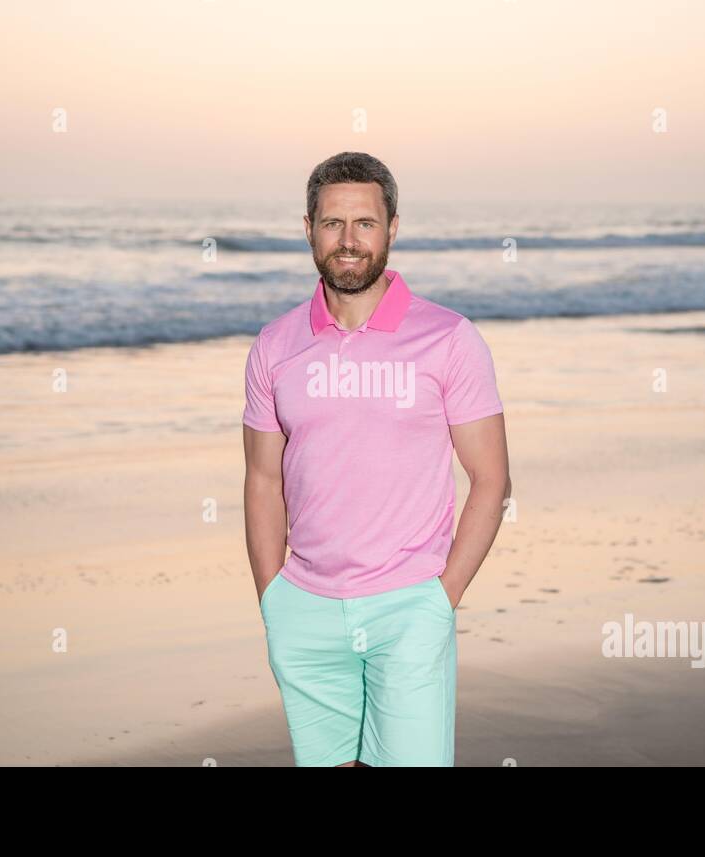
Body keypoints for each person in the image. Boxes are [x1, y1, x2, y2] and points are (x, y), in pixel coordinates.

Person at [242, 151, 512, 766]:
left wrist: (441, 598)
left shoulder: (448, 339)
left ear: (392, 228)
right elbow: (262, 480)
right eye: (332, 223)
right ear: (307, 229)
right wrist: (273, 600)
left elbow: (491, 479)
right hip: (304, 608)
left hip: (409, 606)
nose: (348, 241)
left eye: (364, 223)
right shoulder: (275, 346)